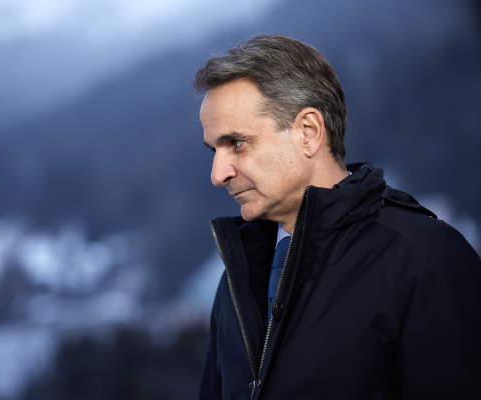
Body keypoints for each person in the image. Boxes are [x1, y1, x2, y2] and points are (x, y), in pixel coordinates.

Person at [194, 34, 481, 400]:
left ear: (308, 132)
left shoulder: (422, 258)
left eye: (237, 143)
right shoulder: (238, 283)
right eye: (214, 150)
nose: (218, 174)